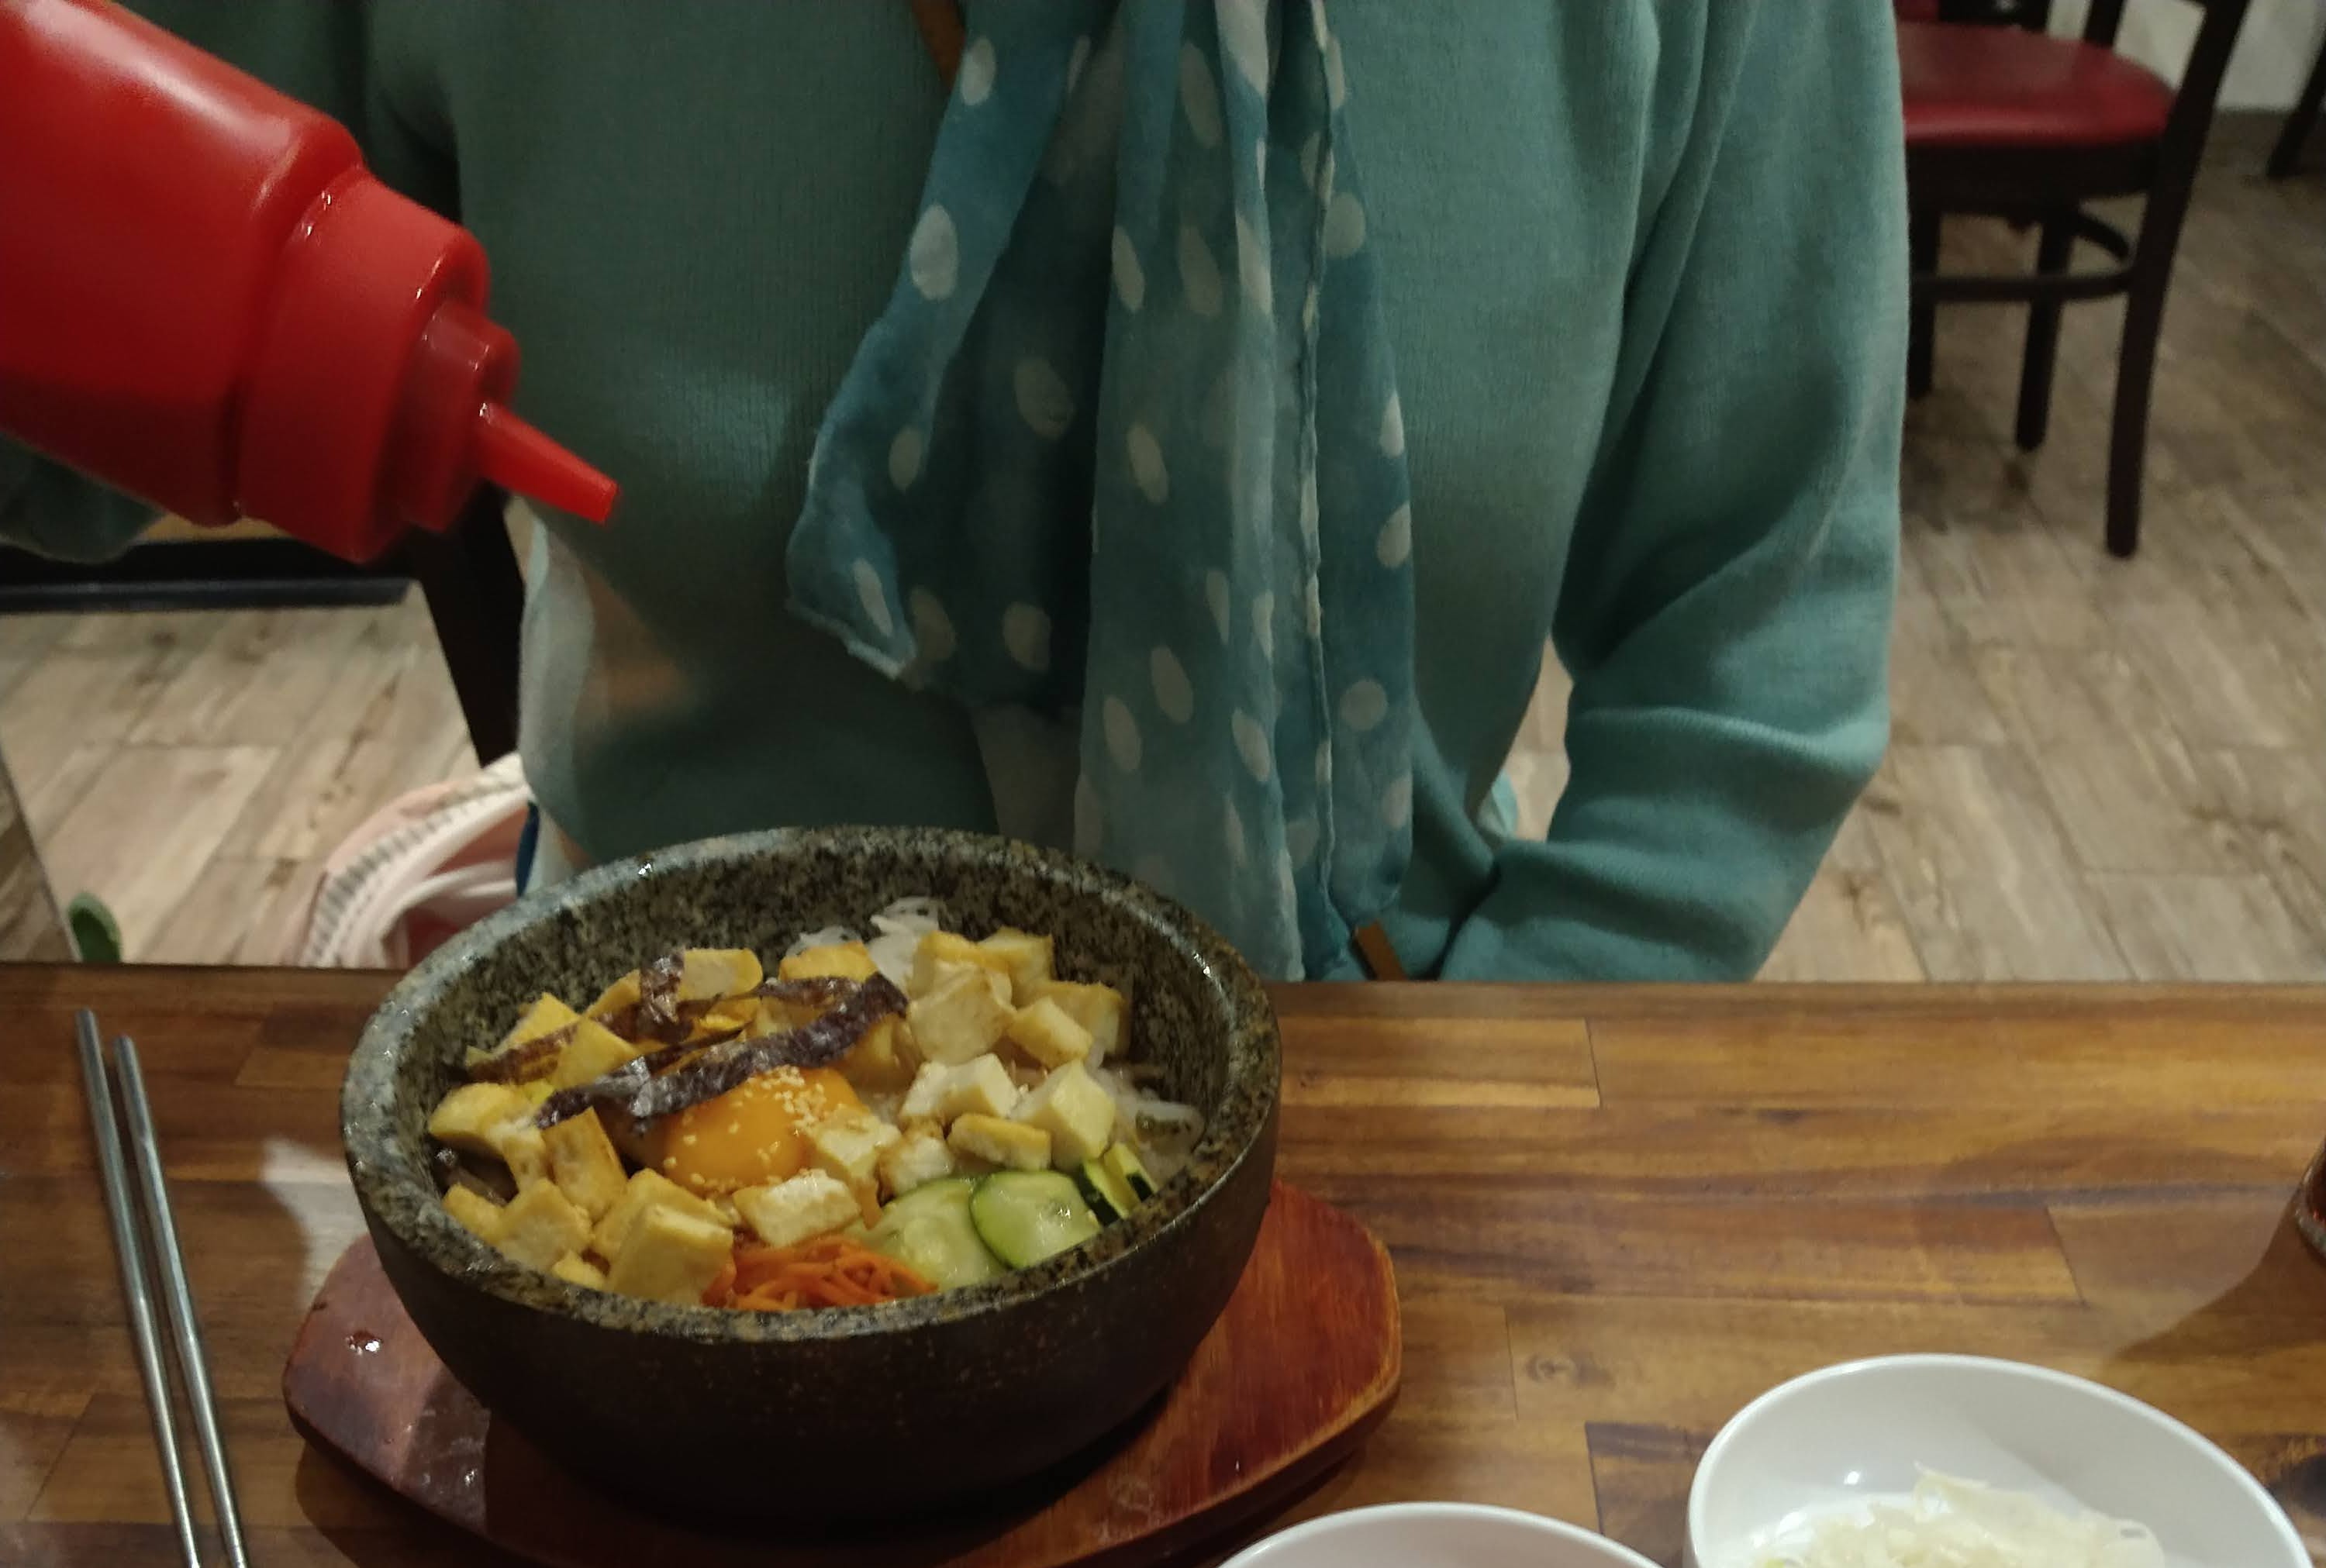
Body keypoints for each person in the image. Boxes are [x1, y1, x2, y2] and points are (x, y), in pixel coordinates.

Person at [0, 1, 1907, 984]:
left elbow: (1762, 627)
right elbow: (48, 464)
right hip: (640, 1122)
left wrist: (1501, 1097)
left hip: (1390, 1064)